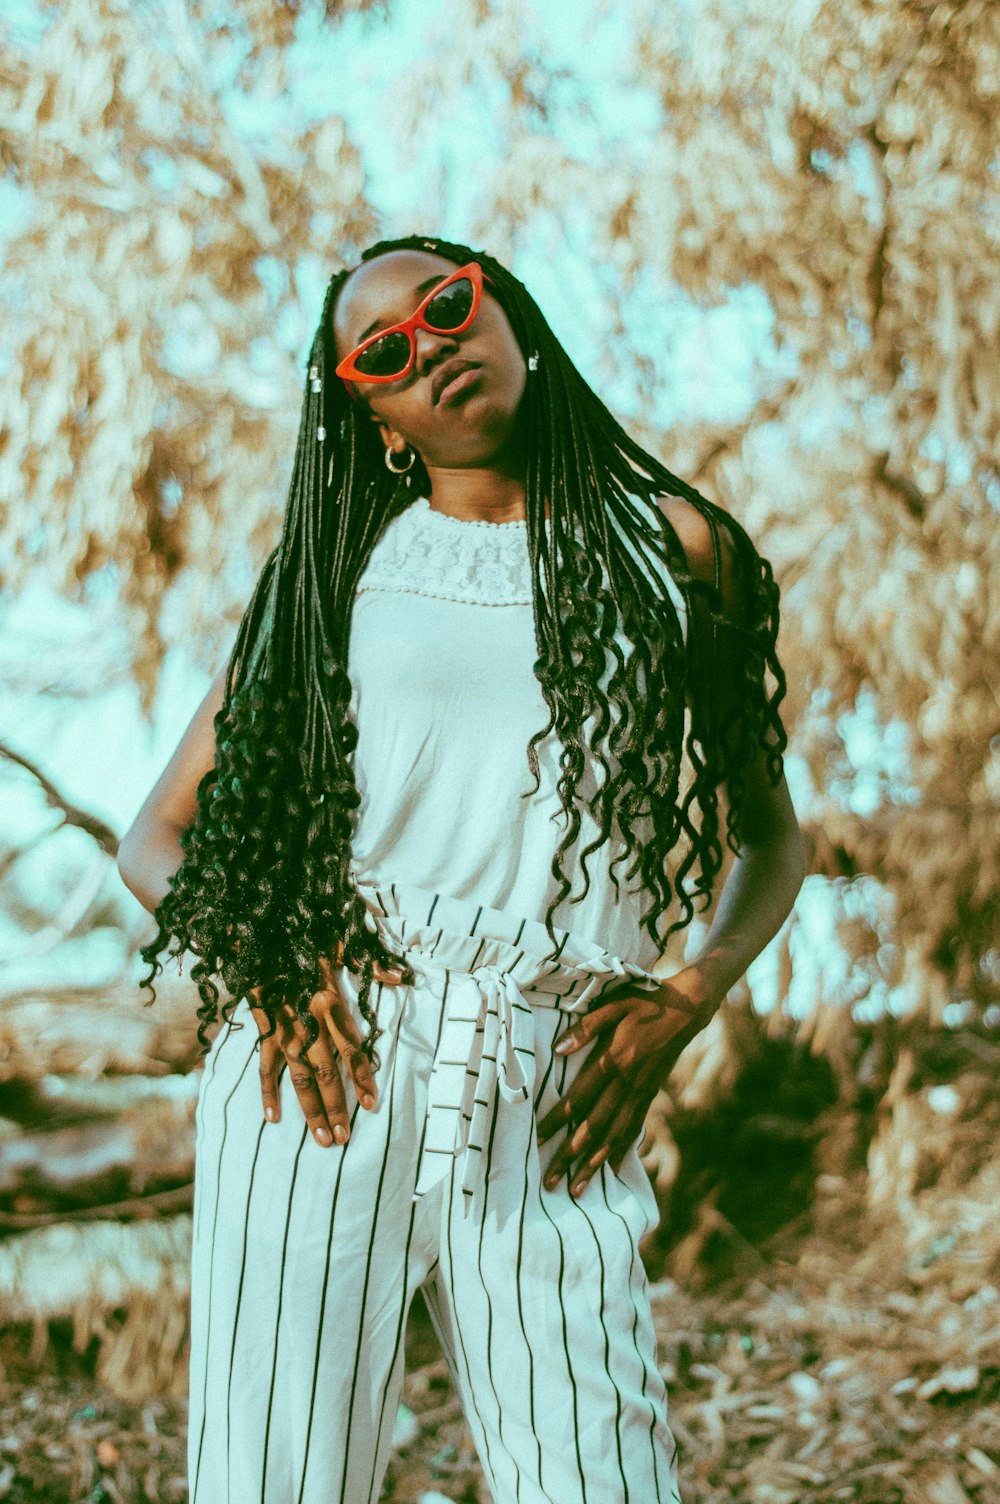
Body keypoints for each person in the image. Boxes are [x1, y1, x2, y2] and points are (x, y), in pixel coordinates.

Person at [117, 232, 806, 1504]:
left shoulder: (680, 551)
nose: (429, 350)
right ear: (371, 414)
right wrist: (270, 974)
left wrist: (688, 994)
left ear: (509, 314)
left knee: (603, 1476)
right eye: (384, 352)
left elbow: (773, 839)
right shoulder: (337, 576)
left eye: (445, 308)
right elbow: (154, 838)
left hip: (556, 1083)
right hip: (323, 1067)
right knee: (274, 1479)